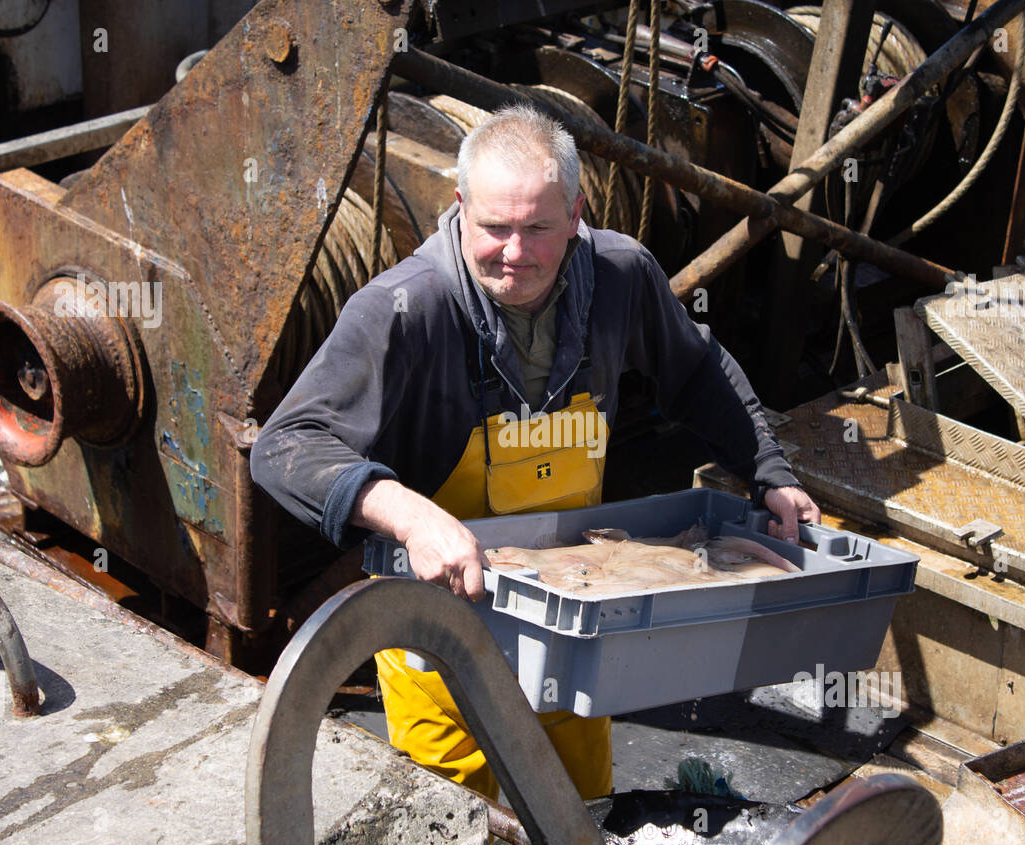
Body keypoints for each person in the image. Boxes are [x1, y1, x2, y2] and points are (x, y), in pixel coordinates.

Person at [249, 103, 819, 801]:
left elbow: (697, 371)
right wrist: (407, 514)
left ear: (577, 213)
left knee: (579, 813)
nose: (514, 252)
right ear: (459, 207)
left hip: (575, 619)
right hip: (439, 638)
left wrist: (769, 473)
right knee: (455, 828)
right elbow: (285, 446)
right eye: (493, 228)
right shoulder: (405, 310)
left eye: (537, 228)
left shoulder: (621, 277)